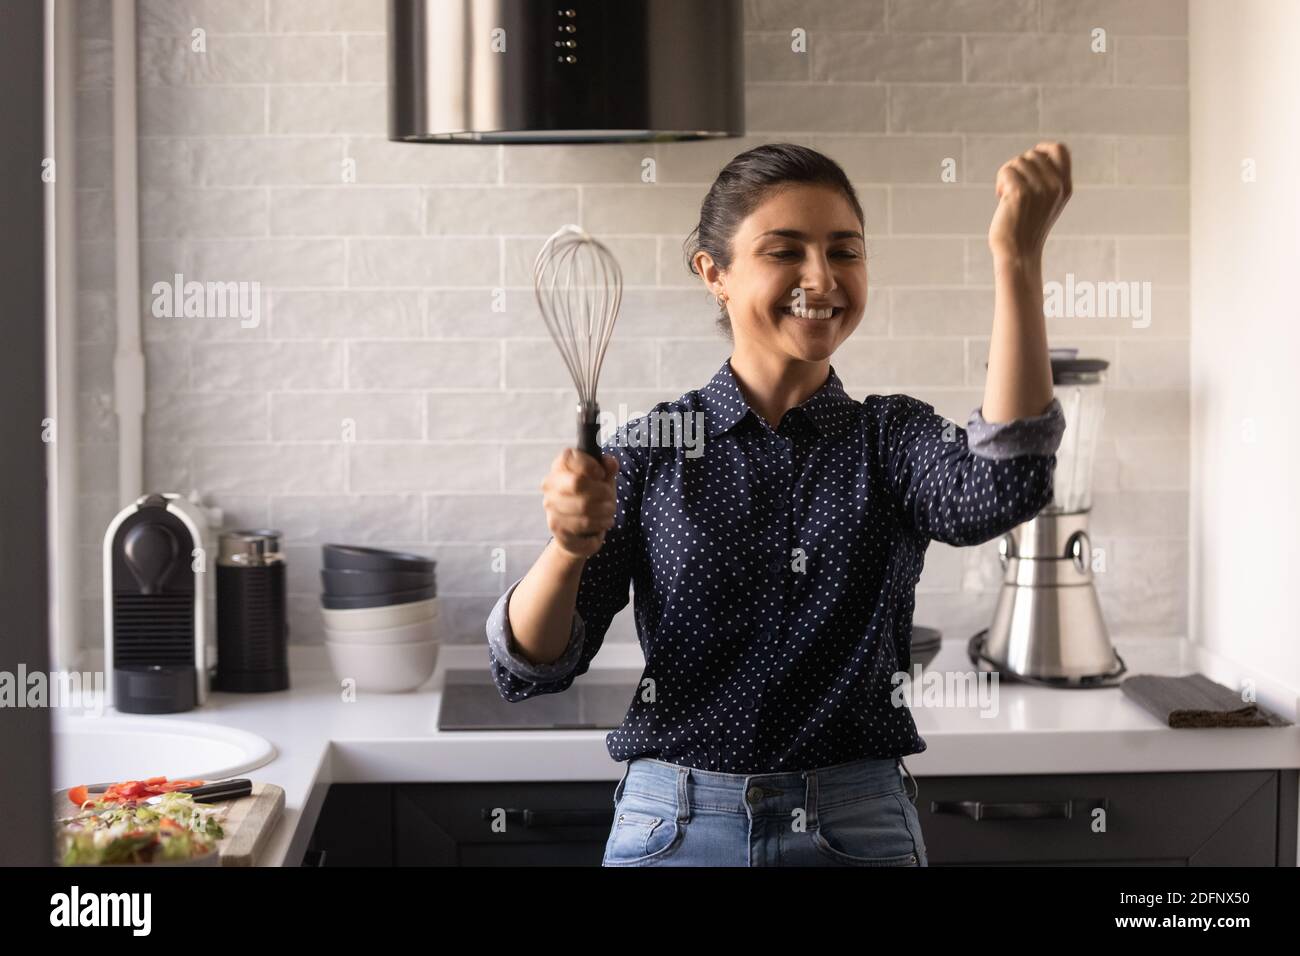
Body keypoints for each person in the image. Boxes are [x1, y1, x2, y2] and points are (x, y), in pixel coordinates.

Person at [485, 141, 1071, 866]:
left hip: (855, 830)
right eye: (785, 251)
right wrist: (567, 548)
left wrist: (1017, 259)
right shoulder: (649, 451)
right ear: (715, 274)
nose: (821, 278)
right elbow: (533, 668)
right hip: (673, 829)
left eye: (845, 252)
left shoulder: (889, 438)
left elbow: (1003, 486)